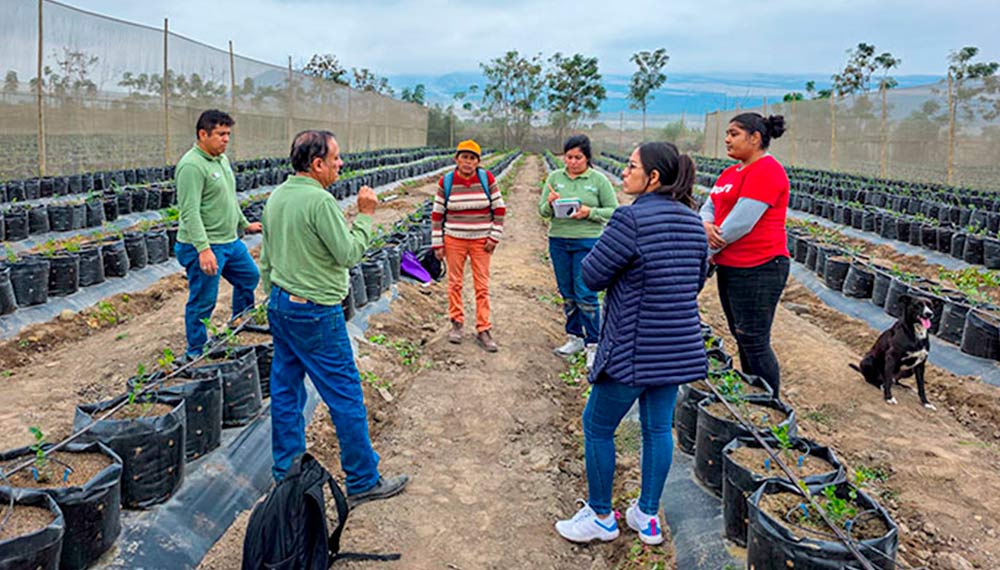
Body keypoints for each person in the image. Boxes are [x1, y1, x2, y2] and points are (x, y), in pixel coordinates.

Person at [555, 142, 708, 546]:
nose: (623, 172)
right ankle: (648, 516)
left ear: (653, 177)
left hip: (633, 348)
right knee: (658, 428)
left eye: (631, 166)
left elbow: (591, 276)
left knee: (597, 425)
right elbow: (695, 283)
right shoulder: (694, 222)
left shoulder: (630, 219)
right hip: (676, 347)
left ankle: (602, 516)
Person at [258, 130, 409, 505]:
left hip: (281, 306)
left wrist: (273, 297)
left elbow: (267, 258)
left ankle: (286, 475)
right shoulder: (319, 201)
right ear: (317, 164)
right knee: (344, 396)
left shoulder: (277, 197)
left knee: (286, 393)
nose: (341, 164)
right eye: (336, 158)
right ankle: (362, 479)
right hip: (315, 313)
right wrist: (366, 216)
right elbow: (348, 254)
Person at [700, 113, 790, 396]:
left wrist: (708, 248)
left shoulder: (766, 170)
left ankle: (771, 404)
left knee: (754, 340)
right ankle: (755, 397)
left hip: (760, 267)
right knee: (741, 336)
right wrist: (704, 225)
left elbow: (741, 222)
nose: (727, 139)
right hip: (731, 265)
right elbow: (708, 206)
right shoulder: (730, 173)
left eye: (734, 133)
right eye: (727, 133)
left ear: (755, 137)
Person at [174, 109, 261, 359]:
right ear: (203, 134)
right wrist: (203, 249)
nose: (226, 139)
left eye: (228, 134)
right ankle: (196, 351)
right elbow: (189, 212)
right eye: (221, 134)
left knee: (249, 277)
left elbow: (228, 198)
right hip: (204, 245)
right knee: (203, 300)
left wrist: (244, 224)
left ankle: (241, 323)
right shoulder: (191, 166)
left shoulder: (221, 160)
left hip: (229, 242)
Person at [538, 135, 619, 366]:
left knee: (585, 292)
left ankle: (594, 343)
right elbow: (542, 212)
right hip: (559, 241)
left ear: (587, 158)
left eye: (578, 157)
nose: (572, 162)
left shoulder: (598, 180)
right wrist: (551, 204)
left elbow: (613, 210)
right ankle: (575, 337)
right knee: (568, 292)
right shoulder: (555, 178)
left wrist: (589, 212)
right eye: (568, 157)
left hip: (587, 242)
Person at [431, 139, 506, 352]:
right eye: (464, 157)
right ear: (456, 159)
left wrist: (494, 237)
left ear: (477, 162)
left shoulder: (486, 178)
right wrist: (438, 243)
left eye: (472, 158)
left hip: (481, 242)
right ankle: (457, 323)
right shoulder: (446, 182)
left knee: (481, 285)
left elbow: (499, 209)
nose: (467, 162)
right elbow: (437, 215)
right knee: (454, 283)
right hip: (454, 239)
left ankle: (484, 328)